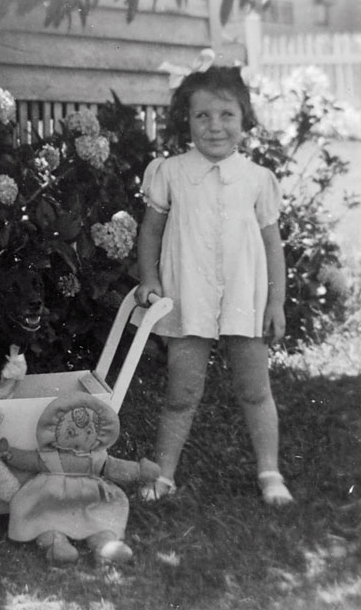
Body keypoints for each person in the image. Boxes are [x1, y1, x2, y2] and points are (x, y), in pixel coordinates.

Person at [134, 65, 293, 505]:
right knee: (181, 392)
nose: (215, 126)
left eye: (226, 115)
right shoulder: (170, 173)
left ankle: (269, 473)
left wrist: (276, 301)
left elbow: (271, 243)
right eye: (202, 116)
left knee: (255, 389)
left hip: (245, 297)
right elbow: (149, 232)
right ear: (186, 119)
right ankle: (164, 475)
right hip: (189, 297)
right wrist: (149, 278)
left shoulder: (257, 179)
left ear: (244, 120)